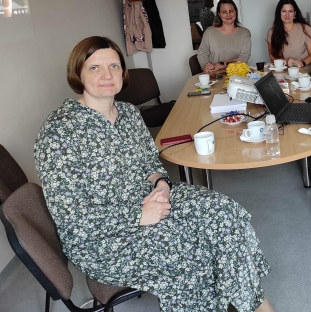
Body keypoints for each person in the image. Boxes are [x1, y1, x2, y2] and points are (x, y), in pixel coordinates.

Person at [35, 36, 273, 312]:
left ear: (123, 72)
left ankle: (256, 305)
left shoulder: (128, 113)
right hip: (104, 238)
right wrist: (138, 215)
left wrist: (161, 183)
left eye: (114, 66)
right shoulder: (59, 132)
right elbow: (71, 218)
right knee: (191, 251)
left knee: (226, 214)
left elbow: (150, 162)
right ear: (78, 73)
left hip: (152, 199)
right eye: (94, 68)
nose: (107, 75)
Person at [197, 0, 251, 72]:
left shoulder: (245, 33)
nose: (228, 15)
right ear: (219, 14)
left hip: (237, 74)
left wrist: (221, 65)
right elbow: (202, 54)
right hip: (215, 74)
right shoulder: (209, 32)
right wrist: (207, 65)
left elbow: (243, 58)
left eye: (231, 11)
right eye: (224, 12)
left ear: (236, 12)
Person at [266, 0, 311, 70]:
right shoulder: (272, 32)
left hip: (304, 73)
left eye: (290, 11)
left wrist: (302, 63)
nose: (287, 15)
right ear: (279, 13)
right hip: (282, 72)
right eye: (284, 11)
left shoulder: (306, 29)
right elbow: (272, 56)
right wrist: (285, 62)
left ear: (295, 13)